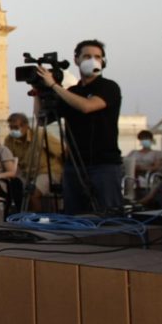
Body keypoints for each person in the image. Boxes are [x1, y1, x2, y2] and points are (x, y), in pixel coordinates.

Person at [35, 39, 122, 215]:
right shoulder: (72, 92)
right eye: (87, 56)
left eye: (97, 57)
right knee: (74, 216)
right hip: (74, 165)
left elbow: (87, 106)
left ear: (103, 61)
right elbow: (42, 120)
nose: (93, 60)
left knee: (110, 216)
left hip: (103, 164)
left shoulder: (109, 87)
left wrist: (54, 86)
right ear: (76, 60)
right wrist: (38, 91)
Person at [5, 112, 63, 212]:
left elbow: (61, 151)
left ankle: (36, 219)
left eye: (16, 127)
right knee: (14, 187)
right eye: (11, 128)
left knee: (33, 193)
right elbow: (9, 160)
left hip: (47, 172)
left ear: (26, 126)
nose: (13, 130)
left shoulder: (40, 135)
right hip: (27, 174)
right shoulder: (9, 140)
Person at [123, 130, 162, 199]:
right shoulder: (133, 152)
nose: (144, 140)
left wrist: (142, 168)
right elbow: (127, 163)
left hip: (148, 177)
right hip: (132, 176)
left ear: (151, 140)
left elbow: (156, 167)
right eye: (142, 139)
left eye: (146, 138)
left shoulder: (156, 153)